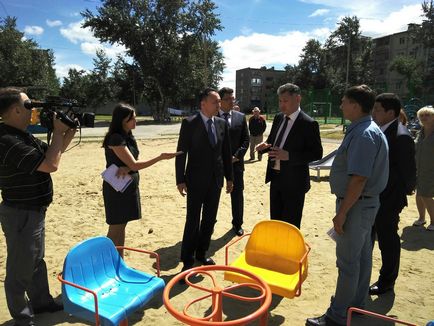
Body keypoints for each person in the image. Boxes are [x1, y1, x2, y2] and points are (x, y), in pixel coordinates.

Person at [306, 85, 389, 326]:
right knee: (361, 258)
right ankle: (356, 304)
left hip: (356, 206)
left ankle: (338, 315)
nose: (340, 106)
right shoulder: (366, 130)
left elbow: (359, 179)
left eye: (344, 101)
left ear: (355, 105)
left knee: (348, 263)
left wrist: (341, 214)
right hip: (364, 205)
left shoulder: (364, 134)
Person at [0, 87, 77, 325]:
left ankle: (41, 302)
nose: (33, 110)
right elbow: (50, 165)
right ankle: (23, 318)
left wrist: (68, 131)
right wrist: (56, 132)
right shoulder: (7, 140)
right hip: (21, 212)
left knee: (36, 260)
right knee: (19, 268)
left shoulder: (22, 134)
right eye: (29, 106)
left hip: (34, 209)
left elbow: (55, 153)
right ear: (15, 110)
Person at [102, 103, 177, 257]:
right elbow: (135, 164)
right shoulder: (116, 138)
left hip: (127, 185)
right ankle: (104, 261)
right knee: (115, 229)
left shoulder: (128, 136)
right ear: (123, 120)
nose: (135, 122)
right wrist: (160, 157)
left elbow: (130, 163)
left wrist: (129, 168)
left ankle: (119, 261)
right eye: (132, 119)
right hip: (117, 188)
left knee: (122, 226)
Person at [176, 88, 233, 272]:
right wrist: (180, 179)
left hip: (215, 180)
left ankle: (202, 252)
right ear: (203, 104)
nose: (219, 105)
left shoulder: (222, 124)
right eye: (215, 101)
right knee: (192, 220)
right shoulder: (189, 123)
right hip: (195, 180)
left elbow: (226, 153)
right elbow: (181, 153)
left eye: (219, 102)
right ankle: (187, 259)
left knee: (210, 219)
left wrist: (229, 178)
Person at [256, 83, 322, 229]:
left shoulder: (308, 123)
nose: (281, 105)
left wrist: (290, 156)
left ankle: (288, 252)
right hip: (275, 178)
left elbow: (317, 153)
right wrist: (264, 147)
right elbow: (272, 141)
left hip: (295, 183)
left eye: (285, 101)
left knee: (290, 225)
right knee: (276, 221)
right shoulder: (279, 118)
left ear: (298, 99)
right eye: (280, 101)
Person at [369, 93, 416, 296]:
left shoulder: (401, 136)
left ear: (390, 112)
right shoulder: (379, 129)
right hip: (375, 195)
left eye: (377, 109)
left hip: (389, 198)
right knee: (371, 236)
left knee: (387, 240)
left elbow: (408, 172)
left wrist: (400, 193)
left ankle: (387, 281)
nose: (374, 112)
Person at [218, 87, 249, 236]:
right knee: (212, 196)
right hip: (216, 165)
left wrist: (236, 156)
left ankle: (237, 224)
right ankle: (209, 224)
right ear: (220, 101)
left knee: (237, 195)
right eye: (227, 99)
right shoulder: (212, 116)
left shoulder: (240, 117)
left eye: (233, 98)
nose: (231, 101)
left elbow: (246, 140)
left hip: (236, 164)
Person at [412, 106, 434, 230]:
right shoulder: (420, 132)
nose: (424, 118)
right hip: (419, 169)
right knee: (419, 194)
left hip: (431, 169)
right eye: (422, 115)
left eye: (428, 115)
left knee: (426, 195)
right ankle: (421, 218)